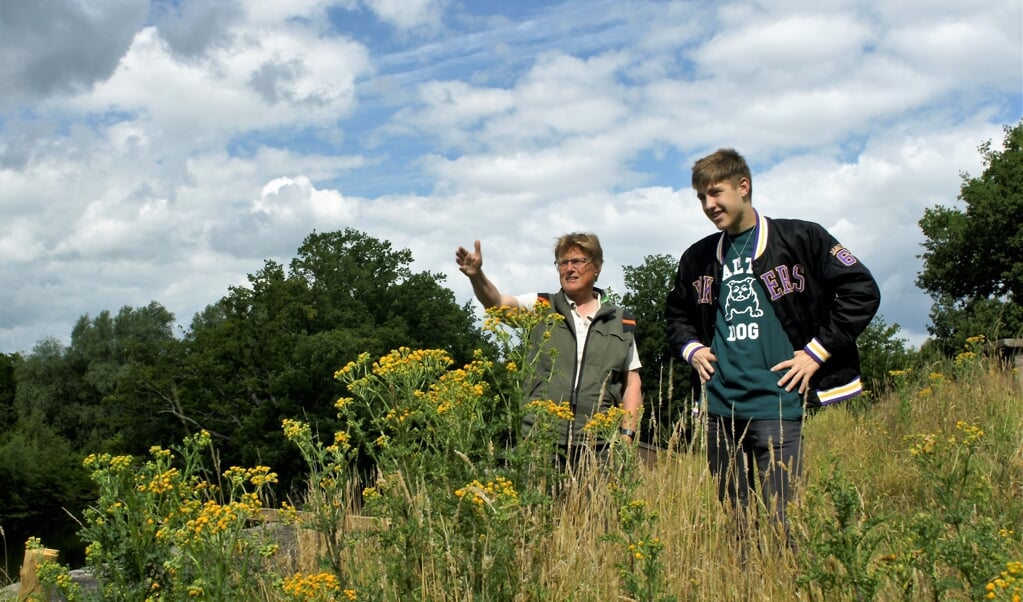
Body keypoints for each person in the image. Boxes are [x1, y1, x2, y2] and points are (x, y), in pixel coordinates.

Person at [665, 148, 880, 540]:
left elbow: (861, 290)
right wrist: (692, 350)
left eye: (716, 193)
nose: (709, 205)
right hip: (719, 411)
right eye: (701, 198)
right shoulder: (696, 258)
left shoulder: (802, 238)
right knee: (737, 526)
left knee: (785, 526)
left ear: (743, 187)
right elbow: (676, 315)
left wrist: (817, 352)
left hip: (777, 405)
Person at [455, 232, 642, 465]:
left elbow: (631, 382)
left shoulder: (621, 321)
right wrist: (476, 276)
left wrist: (627, 437)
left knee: (593, 503)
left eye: (578, 261)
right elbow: (498, 304)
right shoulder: (542, 305)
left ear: (597, 267)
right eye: (563, 262)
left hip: (598, 445)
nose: (569, 269)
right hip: (541, 439)